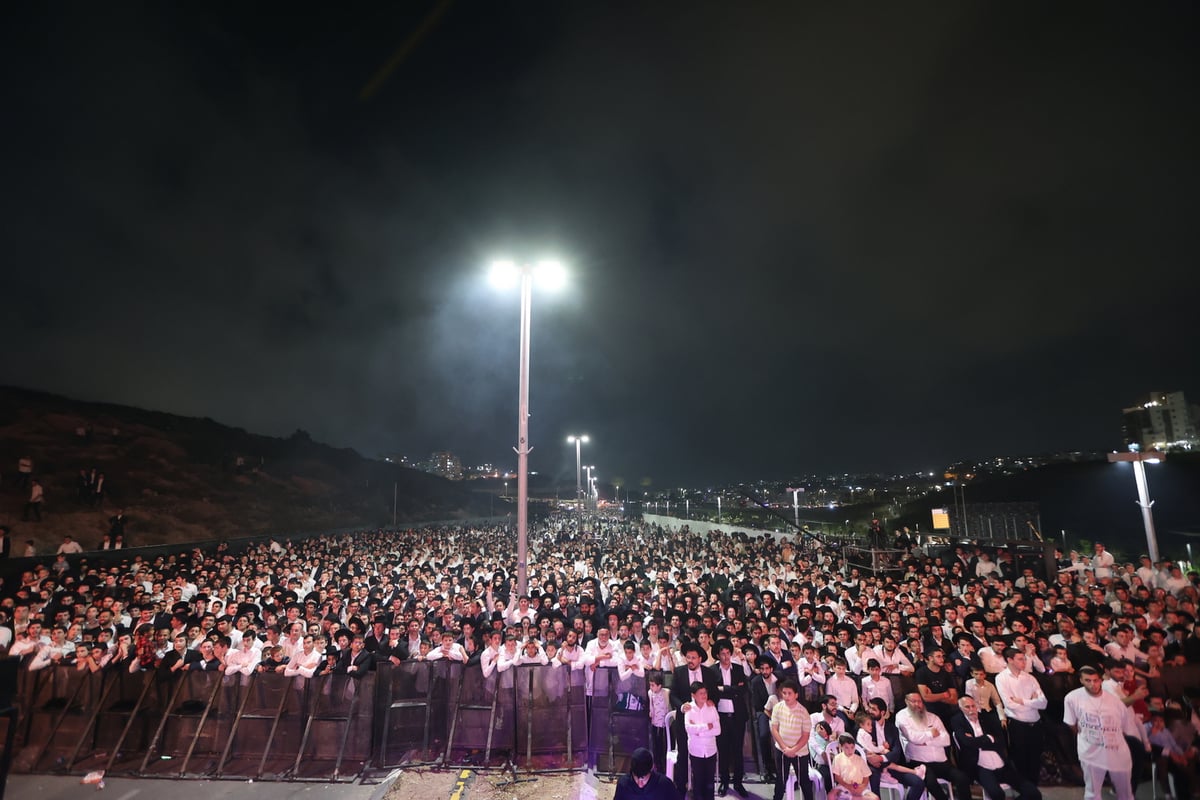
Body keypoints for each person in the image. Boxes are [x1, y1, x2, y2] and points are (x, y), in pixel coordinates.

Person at [1063, 665, 1142, 800]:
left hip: (1117, 752)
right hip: (1090, 753)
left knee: (1126, 794)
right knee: (1092, 793)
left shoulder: (1115, 702)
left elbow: (1123, 729)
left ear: (1101, 680)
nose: (1093, 684)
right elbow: (1071, 724)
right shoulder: (1072, 698)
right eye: (1088, 680)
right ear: (1081, 680)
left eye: (1096, 680)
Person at [951, 696, 1041, 800]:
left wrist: (978, 742)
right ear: (961, 708)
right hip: (982, 768)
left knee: (1034, 794)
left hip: (1002, 764)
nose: (971, 710)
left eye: (973, 706)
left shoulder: (987, 718)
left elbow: (1001, 742)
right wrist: (988, 738)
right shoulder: (957, 720)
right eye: (967, 707)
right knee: (997, 794)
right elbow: (966, 742)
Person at [894, 692, 969, 800]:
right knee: (931, 782)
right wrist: (930, 734)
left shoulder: (933, 717)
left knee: (962, 778)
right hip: (919, 762)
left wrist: (926, 742)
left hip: (941, 761)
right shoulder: (902, 716)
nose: (917, 704)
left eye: (919, 701)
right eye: (914, 701)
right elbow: (913, 738)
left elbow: (946, 740)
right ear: (907, 702)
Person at [671, 642, 719, 798]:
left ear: (700, 659)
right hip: (686, 721)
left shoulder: (709, 673)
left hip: (705, 724)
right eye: (688, 657)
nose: (690, 660)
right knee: (683, 755)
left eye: (693, 658)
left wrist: (712, 700)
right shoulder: (678, 672)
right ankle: (681, 788)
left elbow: (715, 694)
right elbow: (673, 695)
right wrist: (681, 706)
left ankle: (703, 791)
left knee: (704, 759)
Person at [993, 647, 1046, 780]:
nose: (1024, 662)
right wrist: (1032, 703)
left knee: (1035, 758)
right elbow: (1010, 704)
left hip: (1035, 723)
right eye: (1021, 659)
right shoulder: (1001, 678)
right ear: (1010, 660)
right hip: (1018, 724)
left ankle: (1033, 788)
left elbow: (1043, 703)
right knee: (1019, 759)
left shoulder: (1030, 678)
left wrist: (1023, 701)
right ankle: (1025, 788)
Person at [712, 640, 749, 797]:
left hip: (737, 716)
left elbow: (743, 691)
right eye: (723, 654)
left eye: (728, 653)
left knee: (737, 750)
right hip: (720, 717)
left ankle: (738, 783)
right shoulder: (713, 671)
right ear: (718, 655)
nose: (726, 656)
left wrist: (724, 689)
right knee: (723, 751)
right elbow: (713, 691)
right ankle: (724, 782)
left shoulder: (739, 669)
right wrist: (732, 690)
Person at [769, 678, 813, 800]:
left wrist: (793, 750)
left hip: (799, 752)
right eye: (784, 693)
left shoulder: (803, 712)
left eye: (789, 693)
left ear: (796, 695)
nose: (786, 696)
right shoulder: (778, 707)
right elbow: (774, 729)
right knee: (780, 779)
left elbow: (806, 735)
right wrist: (785, 748)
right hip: (782, 750)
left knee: (804, 780)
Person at [685, 681, 721, 800]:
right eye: (701, 693)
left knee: (709, 782)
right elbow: (689, 729)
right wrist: (706, 727)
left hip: (710, 750)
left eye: (705, 693)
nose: (704, 696)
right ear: (693, 695)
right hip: (696, 750)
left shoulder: (711, 708)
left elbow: (717, 730)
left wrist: (698, 731)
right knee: (698, 782)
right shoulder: (689, 709)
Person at [831, 733, 878, 800]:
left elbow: (866, 777)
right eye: (846, 748)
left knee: (875, 798)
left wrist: (861, 786)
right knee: (831, 796)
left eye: (852, 747)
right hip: (844, 786)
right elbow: (837, 777)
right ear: (841, 747)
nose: (850, 750)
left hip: (859, 786)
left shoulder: (859, 759)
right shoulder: (838, 758)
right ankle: (851, 797)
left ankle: (853, 797)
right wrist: (847, 786)